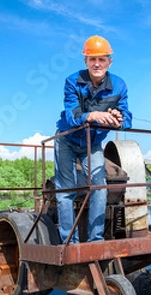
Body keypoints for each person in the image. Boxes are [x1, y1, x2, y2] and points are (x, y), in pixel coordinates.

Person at [54, 35, 132, 243]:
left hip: (93, 142)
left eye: (102, 59)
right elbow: (72, 116)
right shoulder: (73, 82)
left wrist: (119, 120)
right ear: (85, 61)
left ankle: (95, 239)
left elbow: (127, 116)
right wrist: (92, 116)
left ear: (109, 62)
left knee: (99, 187)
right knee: (65, 190)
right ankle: (70, 241)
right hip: (67, 139)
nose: (97, 64)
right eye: (92, 59)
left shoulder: (119, 85)